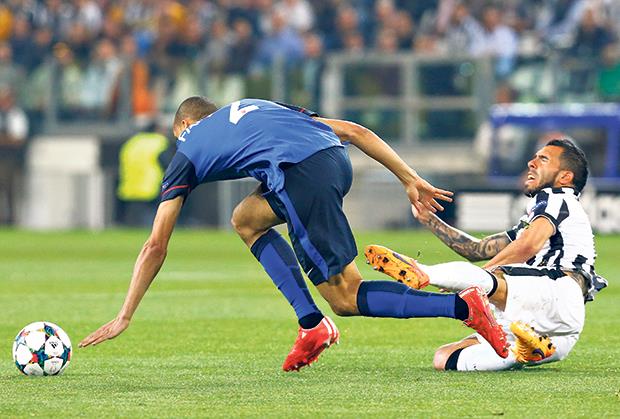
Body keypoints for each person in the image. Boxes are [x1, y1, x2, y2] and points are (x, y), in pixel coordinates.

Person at [79, 97, 509, 371]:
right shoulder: (259, 107)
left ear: (184, 126)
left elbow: (156, 244)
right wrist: (409, 178)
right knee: (246, 218)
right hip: (334, 162)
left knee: (345, 297)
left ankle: (462, 306)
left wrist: (125, 314)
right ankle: (310, 324)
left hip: (300, 177)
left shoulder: (187, 148)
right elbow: (355, 132)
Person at [366, 138, 608, 371]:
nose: (531, 163)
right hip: (553, 328)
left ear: (565, 177)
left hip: (557, 292)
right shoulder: (541, 217)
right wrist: (429, 218)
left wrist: (476, 279)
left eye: (543, 159)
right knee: (444, 357)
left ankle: (423, 272)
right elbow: (476, 249)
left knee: (493, 276)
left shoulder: (557, 198)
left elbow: (527, 246)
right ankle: (522, 353)